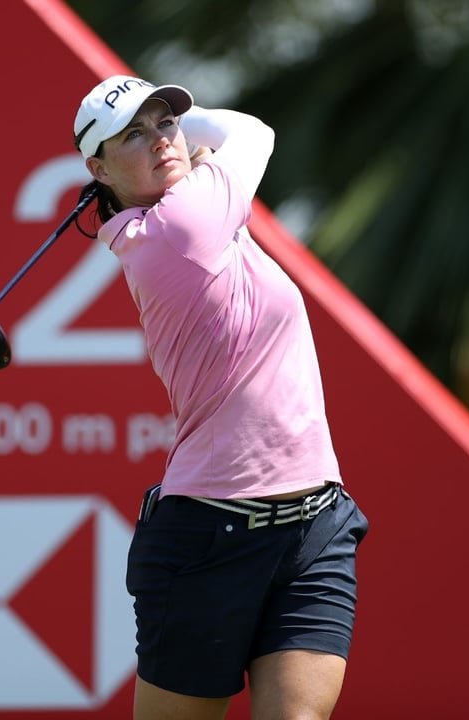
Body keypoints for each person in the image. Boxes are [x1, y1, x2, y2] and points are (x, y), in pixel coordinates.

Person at [72, 75, 369, 720]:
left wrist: (177, 145)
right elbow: (253, 132)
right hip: (210, 532)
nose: (161, 141)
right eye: (134, 135)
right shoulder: (179, 228)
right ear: (97, 166)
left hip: (315, 521)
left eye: (165, 123)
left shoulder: (191, 217)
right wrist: (193, 128)